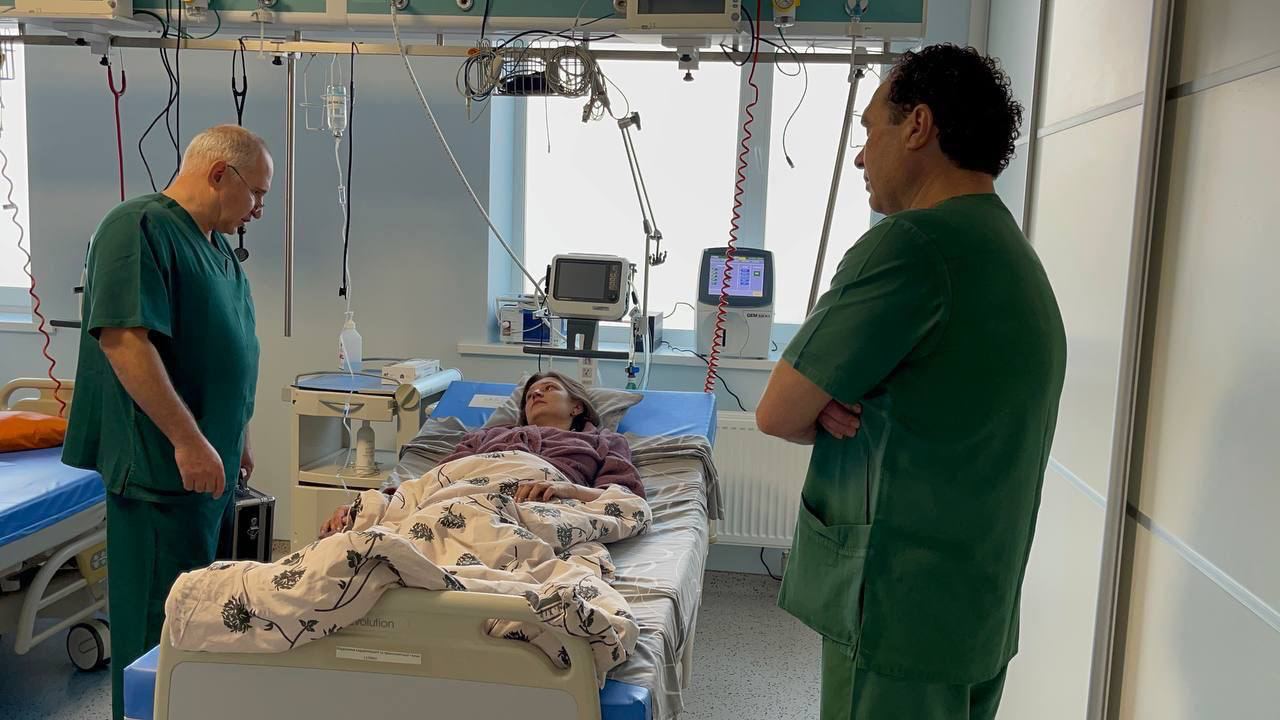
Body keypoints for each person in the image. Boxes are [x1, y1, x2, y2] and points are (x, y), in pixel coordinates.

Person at [756, 44, 1067, 720]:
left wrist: (825, 399)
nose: (860, 156)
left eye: (870, 129)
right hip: (975, 607)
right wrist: (834, 396)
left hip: (897, 612)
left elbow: (777, 412)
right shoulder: (1012, 254)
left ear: (918, 125)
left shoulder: (911, 247)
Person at [61, 125, 271, 720]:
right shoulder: (138, 228)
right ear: (219, 174)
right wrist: (188, 439)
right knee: (157, 626)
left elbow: (229, 349)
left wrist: (239, 434)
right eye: (256, 193)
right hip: (160, 470)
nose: (258, 209)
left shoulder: (216, 248)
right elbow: (124, 340)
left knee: (198, 618)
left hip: (210, 466)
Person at [320, 371, 644, 537]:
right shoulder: (488, 435)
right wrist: (378, 504)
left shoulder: (603, 441)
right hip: (464, 493)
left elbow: (624, 498)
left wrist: (566, 489)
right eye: (530, 394)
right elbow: (436, 480)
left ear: (577, 407)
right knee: (366, 526)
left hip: (537, 502)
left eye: (549, 388)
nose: (535, 393)